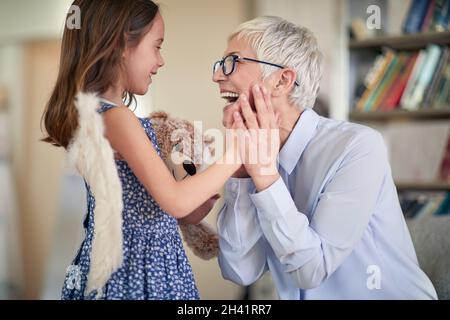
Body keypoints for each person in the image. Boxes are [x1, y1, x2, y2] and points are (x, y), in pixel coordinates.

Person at [41, 0, 264, 300]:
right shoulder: (115, 117)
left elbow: (158, 205)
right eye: (157, 46)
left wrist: (195, 202)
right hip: (139, 267)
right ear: (122, 43)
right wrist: (237, 152)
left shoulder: (100, 114)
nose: (161, 61)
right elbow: (174, 201)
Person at [213, 16, 438, 299]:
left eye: (233, 61)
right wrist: (243, 179)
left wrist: (265, 176)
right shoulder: (253, 154)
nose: (217, 76)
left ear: (282, 81)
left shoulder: (358, 146)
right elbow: (240, 271)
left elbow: (311, 271)